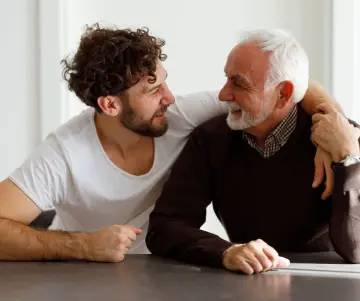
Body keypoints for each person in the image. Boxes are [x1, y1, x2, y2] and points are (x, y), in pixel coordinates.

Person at [0, 25, 340, 262]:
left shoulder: (179, 114)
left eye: (165, 82)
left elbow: (290, 83)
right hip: (81, 273)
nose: (170, 97)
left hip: (162, 269)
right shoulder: (64, 154)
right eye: (153, 91)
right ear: (110, 105)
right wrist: (84, 247)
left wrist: (331, 128)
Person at [146, 29, 360, 274]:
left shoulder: (343, 139)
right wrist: (225, 251)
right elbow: (163, 227)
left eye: (239, 83)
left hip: (326, 283)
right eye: (226, 78)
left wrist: (348, 161)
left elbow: (356, 249)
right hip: (247, 282)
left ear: (284, 94)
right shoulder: (210, 139)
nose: (223, 94)